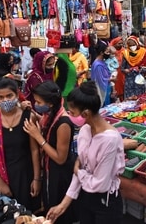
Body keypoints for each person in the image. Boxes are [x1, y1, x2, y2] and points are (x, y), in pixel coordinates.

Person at [46, 81, 125, 224]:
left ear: (86, 113)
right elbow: (82, 171)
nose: (69, 115)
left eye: (72, 112)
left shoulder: (110, 140)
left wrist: (78, 171)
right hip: (86, 198)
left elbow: (100, 184)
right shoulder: (85, 131)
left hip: (105, 203)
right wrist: (62, 206)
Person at [0, 78, 41, 212]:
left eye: (9, 96)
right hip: (2, 176)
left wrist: (36, 179)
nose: (5, 100)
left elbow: (34, 150)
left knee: (27, 215)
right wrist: (0, 183)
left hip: (26, 176)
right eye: (0, 97)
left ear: (17, 94)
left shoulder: (28, 117)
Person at [23, 81, 77, 224]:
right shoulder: (50, 114)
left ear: (51, 103)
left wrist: (38, 137)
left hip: (60, 174)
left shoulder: (64, 123)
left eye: (39, 102)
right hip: (51, 170)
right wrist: (33, 113)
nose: (37, 104)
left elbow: (60, 158)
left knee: (59, 213)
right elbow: (47, 125)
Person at [91, 41, 112, 107]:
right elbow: (101, 81)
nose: (108, 53)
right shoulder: (98, 65)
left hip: (106, 88)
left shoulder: (101, 62)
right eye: (107, 52)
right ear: (101, 53)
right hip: (102, 91)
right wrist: (111, 79)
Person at [109, 37, 125, 101]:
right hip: (113, 73)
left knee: (122, 89)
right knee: (113, 89)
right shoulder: (110, 51)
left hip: (122, 74)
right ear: (114, 44)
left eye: (122, 43)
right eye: (119, 43)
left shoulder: (124, 51)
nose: (121, 45)